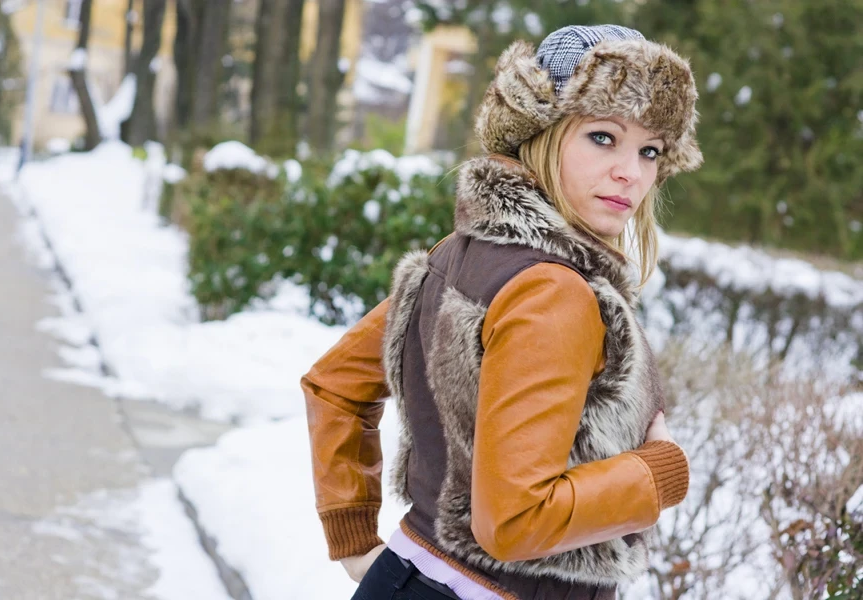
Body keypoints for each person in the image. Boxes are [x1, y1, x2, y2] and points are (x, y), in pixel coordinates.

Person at [301, 24, 702, 600]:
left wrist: (356, 541)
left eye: (649, 150)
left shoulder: (459, 254)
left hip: (410, 574)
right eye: (602, 137)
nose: (630, 173)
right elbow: (516, 521)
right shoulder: (554, 291)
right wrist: (659, 473)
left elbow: (333, 385)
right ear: (540, 133)